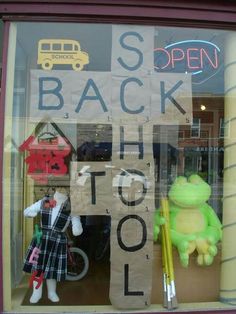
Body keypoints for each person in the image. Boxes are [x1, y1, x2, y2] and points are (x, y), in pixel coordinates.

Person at [23, 187, 83, 303]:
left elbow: (77, 228)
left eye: (65, 188)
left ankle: (51, 292)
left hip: (57, 240)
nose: (63, 190)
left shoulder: (72, 208)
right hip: (42, 239)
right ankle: (37, 293)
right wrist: (33, 212)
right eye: (60, 187)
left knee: (52, 268)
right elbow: (26, 212)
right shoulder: (44, 201)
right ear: (55, 189)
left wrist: (77, 225)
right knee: (38, 268)